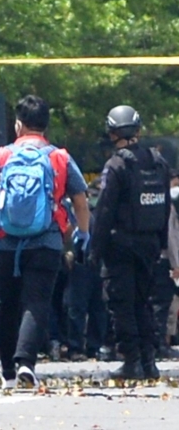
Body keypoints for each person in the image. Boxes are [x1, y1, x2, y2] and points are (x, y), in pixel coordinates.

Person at [0, 95, 90, 389]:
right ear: (45, 126)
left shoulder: (1, 156)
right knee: (36, 302)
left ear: (18, 125)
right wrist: (83, 233)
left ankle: (7, 372)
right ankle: (25, 362)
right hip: (47, 242)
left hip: (6, 243)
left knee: (7, 304)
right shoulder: (60, 157)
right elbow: (80, 198)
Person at [90, 105, 171, 379]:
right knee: (144, 303)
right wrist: (160, 244)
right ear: (137, 130)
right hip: (149, 245)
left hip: (120, 246)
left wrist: (94, 250)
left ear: (112, 132)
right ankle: (149, 361)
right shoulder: (158, 161)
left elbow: (103, 211)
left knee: (122, 304)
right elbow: (166, 207)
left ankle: (132, 361)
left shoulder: (116, 165)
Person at [64, 181, 108, 361]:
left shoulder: (102, 210)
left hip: (96, 260)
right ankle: (77, 347)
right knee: (78, 306)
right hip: (81, 259)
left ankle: (92, 347)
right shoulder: (72, 209)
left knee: (97, 306)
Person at [149, 169, 179, 359]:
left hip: (154, 258)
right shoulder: (168, 207)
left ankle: (156, 343)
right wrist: (177, 263)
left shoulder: (155, 203)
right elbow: (171, 237)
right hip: (164, 260)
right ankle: (159, 343)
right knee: (162, 304)